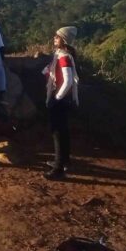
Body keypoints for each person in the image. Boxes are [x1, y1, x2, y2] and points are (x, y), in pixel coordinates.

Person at [43, 25, 80, 180]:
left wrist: (57, 98)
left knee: (57, 132)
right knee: (62, 130)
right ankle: (64, 161)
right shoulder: (62, 55)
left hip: (61, 99)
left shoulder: (64, 57)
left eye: (57, 37)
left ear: (64, 40)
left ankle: (58, 169)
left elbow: (69, 81)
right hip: (64, 99)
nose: (54, 38)